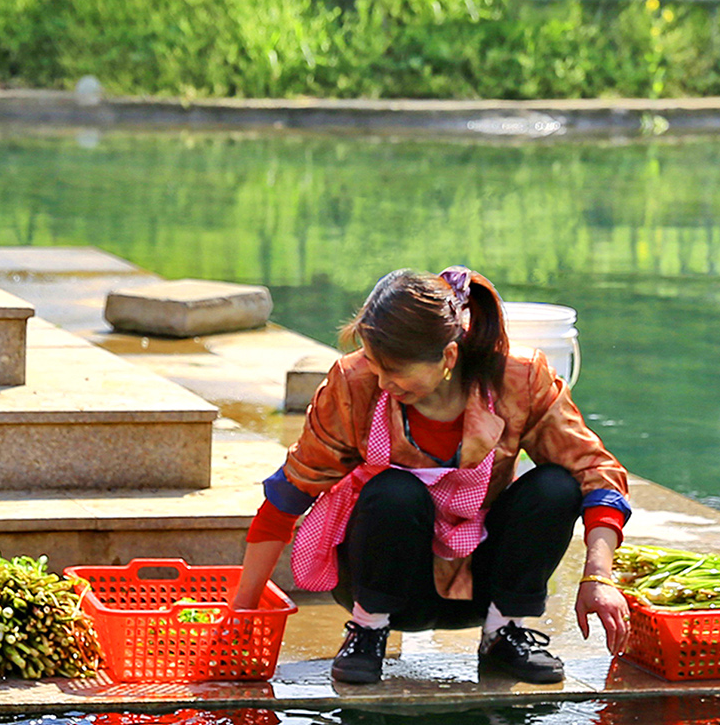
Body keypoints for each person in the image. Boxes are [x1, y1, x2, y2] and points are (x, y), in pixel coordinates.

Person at [229, 266, 634, 685]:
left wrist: (598, 576)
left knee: (556, 486)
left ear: (448, 358)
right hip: (386, 583)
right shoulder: (354, 383)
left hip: (481, 582)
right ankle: (368, 632)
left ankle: (503, 631)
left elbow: (596, 473)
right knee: (393, 491)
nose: (384, 382)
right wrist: (240, 612)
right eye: (374, 364)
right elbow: (289, 494)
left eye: (397, 370)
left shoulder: (520, 377)